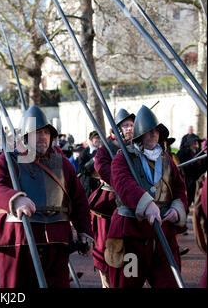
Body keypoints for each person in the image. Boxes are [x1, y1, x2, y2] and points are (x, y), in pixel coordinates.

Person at [0, 105, 93, 288]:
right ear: (25, 135)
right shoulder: (6, 161)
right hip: (19, 237)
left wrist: (84, 231)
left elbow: (79, 200)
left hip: (56, 239)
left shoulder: (64, 165)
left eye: (46, 132)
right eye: (37, 132)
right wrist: (15, 199)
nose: (42, 136)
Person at [107, 105, 187, 288]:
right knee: (127, 284)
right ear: (140, 134)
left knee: (169, 283)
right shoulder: (123, 158)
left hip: (163, 238)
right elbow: (123, 185)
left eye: (156, 131)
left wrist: (176, 208)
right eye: (148, 131)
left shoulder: (166, 160)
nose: (153, 134)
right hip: (131, 238)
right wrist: (146, 204)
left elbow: (179, 188)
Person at [88, 109, 135, 288]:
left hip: (133, 204)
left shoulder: (139, 147)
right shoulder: (105, 151)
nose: (129, 129)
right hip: (107, 206)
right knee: (105, 252)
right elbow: (103, 169)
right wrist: (127, 185)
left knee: (132, 251)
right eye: (125, 125)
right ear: (114, 130)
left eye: (131, 125)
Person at [177, 133, 205, 209]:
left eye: (197, 141)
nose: (196, 143)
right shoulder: (182, 153)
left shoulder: (201, 153)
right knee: (186, 203)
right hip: (187, 182)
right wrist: (191, 163)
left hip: (198, 182)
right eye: (194, 141)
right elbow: (180, 166)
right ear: (189, 143)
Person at [78, 130, 103, 198]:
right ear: (91, 140)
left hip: (100, 183)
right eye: (96, 138)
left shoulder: (102, 151)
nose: (98, 140)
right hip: (88, 184)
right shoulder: (84, 152)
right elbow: (81, 170)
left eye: (99, 138)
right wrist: (93, 161)